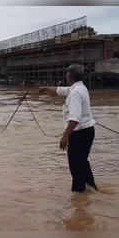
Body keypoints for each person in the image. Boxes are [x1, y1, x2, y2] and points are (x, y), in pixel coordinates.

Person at [39, 64, 98, 192]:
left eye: (66, 74)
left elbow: (75, 118)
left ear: (70, 76)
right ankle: (91, 189)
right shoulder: (79, 88)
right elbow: (61, 91)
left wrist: (65, 137)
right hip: (87, 131)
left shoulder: (76, 92)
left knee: (76, 167)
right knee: (82, 162)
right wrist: (46, 89)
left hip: (79, 134)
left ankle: (79, 196)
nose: (65, 76)